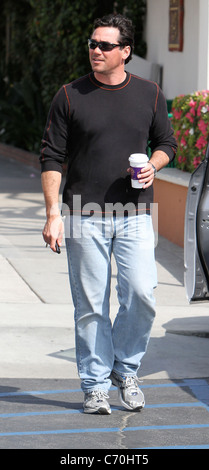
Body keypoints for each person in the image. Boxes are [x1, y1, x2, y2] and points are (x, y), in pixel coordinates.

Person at [40, 13, 177, 415]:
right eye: (92, 43)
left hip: (135, 212)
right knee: (91, 305)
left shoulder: (149, 93)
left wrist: (155, 163)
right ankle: (96, 385)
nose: (95, 50)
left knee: (141, 294)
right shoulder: (69, 95)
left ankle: (125, 368)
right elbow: (51, 157)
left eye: (104, 45)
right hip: (84, 212)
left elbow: (167, 142)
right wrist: (53, 214)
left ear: (126, 52)